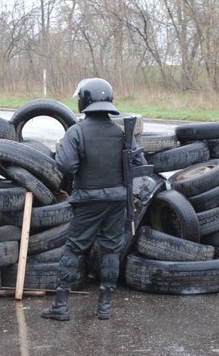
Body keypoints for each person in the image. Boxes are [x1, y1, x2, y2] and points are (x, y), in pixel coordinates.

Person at [41, 77, 146, 321]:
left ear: (83, 102)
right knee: (111, 250)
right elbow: (140, 164)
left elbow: (66, 165)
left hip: (88, 201)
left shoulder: (76, 132)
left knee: (74, 249)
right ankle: (105, 307)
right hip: (117, 201)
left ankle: (61, 306)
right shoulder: (121, 133)